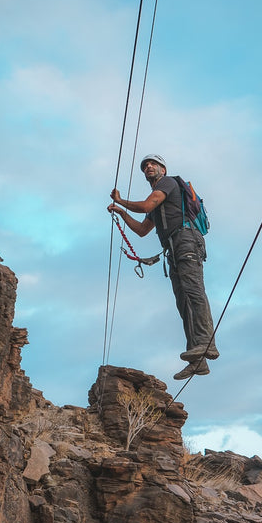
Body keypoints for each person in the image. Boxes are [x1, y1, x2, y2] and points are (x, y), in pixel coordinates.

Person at [107, 154, 219, 380]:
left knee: (193, 291)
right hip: (174, 249)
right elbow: (142, 229)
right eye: (146, 166)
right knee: (183, 301)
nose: (148, 167)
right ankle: (198, 361)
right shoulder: (158, 201)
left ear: (163, 170)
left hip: (186, 240)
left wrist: (121, 201)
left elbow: (147, 204)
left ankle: (207, 344)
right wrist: (122, 213)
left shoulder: (167, 184)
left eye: (153, 164)